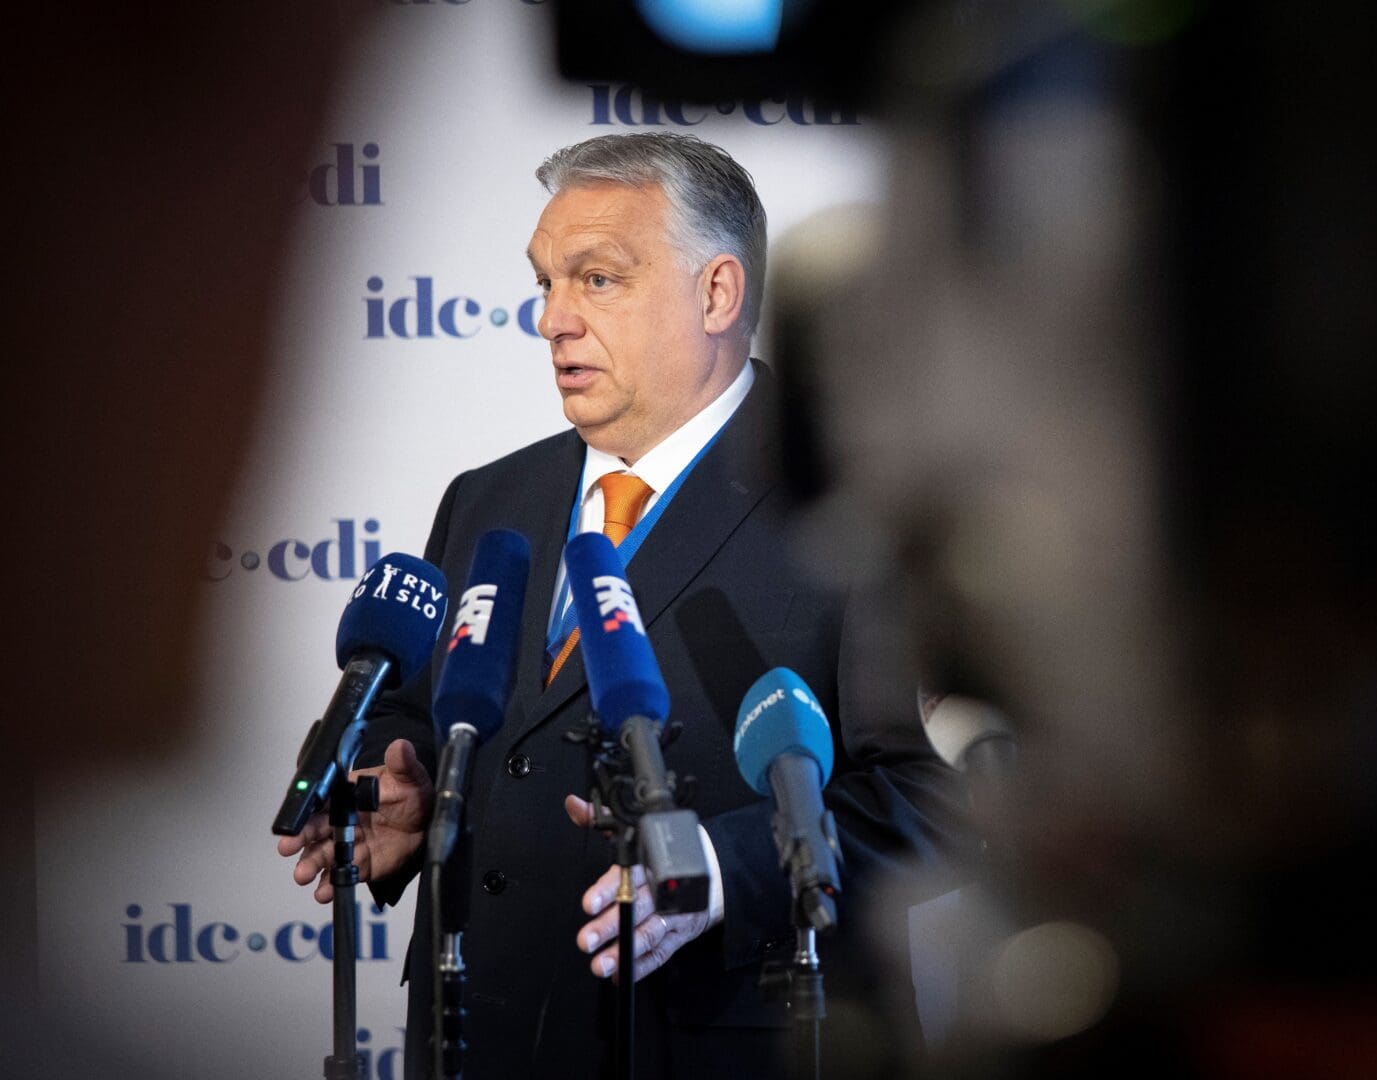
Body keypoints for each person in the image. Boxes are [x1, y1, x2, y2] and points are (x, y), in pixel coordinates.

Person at [275, 132, 967, 1078]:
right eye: (545, 282)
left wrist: (719, 869)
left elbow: (930, 792)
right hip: (481, 1037)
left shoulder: (851, 502)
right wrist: (402, 786)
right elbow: (436, 717)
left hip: (727, 1045)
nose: (553, 320)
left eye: (596, 280)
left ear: (717, 293)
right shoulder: (487, 499)